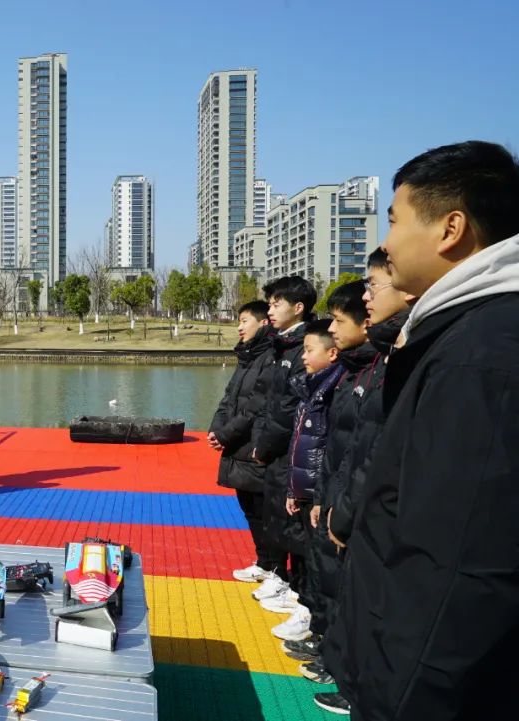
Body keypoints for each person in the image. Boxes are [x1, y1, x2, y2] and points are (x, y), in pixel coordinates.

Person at [332, 141, 519, 721]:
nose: (386, 242)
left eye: (394, 220)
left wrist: (399, 698)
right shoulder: (462, 336)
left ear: (450, 229)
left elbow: (458, 567)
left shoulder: (479, 358)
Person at [314, 249, 416, 712]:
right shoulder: (376, 362)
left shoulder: (402, 358)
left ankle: (350, 678)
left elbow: (374, 447)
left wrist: (345, 507)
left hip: (373, 512)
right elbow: (349, 443)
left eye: (374, 284)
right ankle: (338, 662)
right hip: (345, 498)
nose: (369, 296)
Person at [292, 282, 374, 705]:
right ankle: (327, 645)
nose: (333, 329)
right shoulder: (355, 374)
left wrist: (337, 503)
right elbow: (337, 448)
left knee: (343, 582)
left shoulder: (371, 371)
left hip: (354, 503)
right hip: (332, 493)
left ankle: (342, 666)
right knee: (324, 572)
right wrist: (322, 496)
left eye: (339, 321)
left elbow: (363, 447)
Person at [270, 320, 342, 646]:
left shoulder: (333, 389)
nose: (303, 357)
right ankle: (304, 604)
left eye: (309, 350)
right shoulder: (310, 387)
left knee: (317, 555)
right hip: (305, 485)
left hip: (320, 489)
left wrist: (317, 496)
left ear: (332, 353)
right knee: (304, 549)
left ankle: (312, 616)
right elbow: (300, 442)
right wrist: (293, 488)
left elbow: (326, 446)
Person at [249, 276, 317, 609]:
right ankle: (280, 575)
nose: (271, 310)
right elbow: (268, 400)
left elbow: (289, 407)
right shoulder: (281, 345)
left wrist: (265, 445)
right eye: (270, 304)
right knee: (276, 512)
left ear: (298, 307)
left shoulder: (303, 347)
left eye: (277, 304)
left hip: (289, 448)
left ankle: (296, 588)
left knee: (292, 519)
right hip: (277, 448)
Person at [207, 300, 279, 583]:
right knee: (250, 509)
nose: (239, 327)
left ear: (263, 323)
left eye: (244, 321)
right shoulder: (247, 356)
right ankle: (264, 563)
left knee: (263, 512)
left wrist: (226, 434)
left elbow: (255, 406)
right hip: (238, 445)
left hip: (253, 446)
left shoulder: (270, 357)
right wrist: (216, 428)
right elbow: (229, 398)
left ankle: (275, 569)